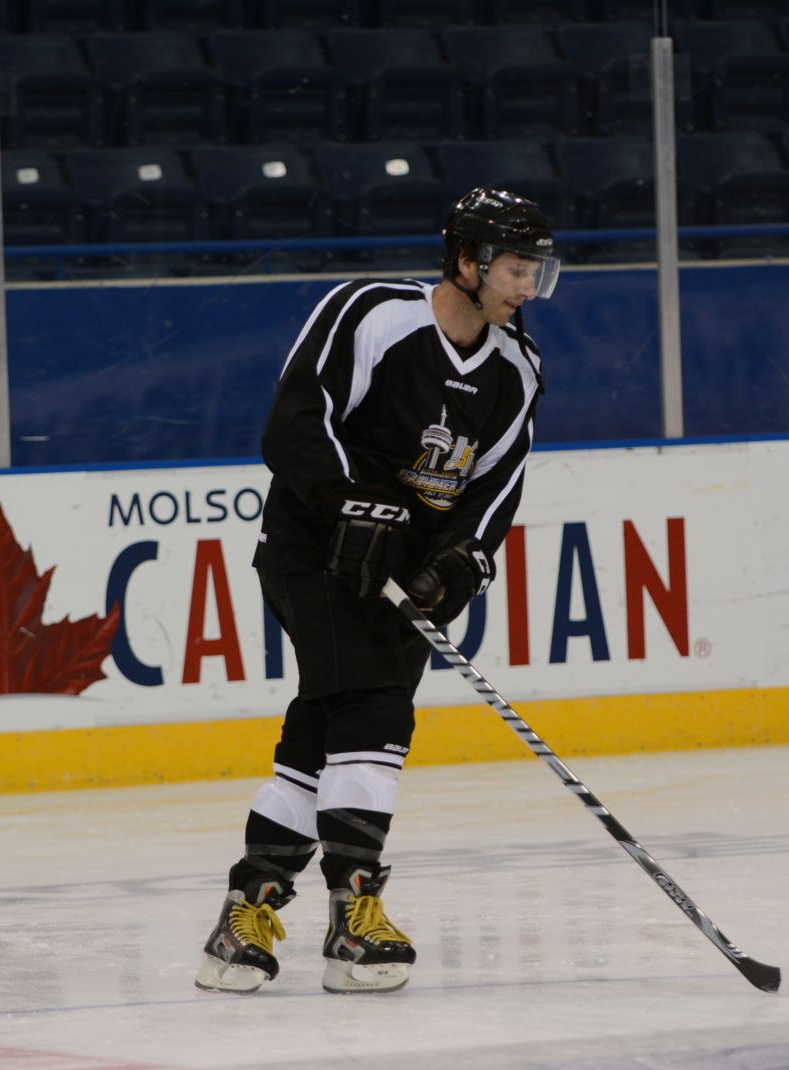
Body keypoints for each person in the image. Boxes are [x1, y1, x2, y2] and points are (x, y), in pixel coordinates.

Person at [195, 188, 557, 995]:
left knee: (323, 727)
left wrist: (462, 560)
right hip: (313, 554)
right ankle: (354, 916)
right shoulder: (371, 313)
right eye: (515, 269)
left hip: (402, 577)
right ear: (467, 263)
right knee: (376, 710)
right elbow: (296, 421)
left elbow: (496, 487)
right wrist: (346, 502)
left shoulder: (517, 367)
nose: (528, 287)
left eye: (536, 271)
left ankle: (244, 916)